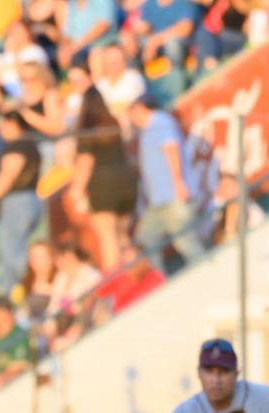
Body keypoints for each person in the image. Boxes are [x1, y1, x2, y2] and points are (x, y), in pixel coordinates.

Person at [127, 95, 203, 273]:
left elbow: (171, 149)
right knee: (145, 241)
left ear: (140, 108)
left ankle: (206, 274)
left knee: (185, 241)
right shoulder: (148, 130)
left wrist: (178, 183)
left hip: (173, 196)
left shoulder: (159, 122)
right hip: (159, 202)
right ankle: (157, 283)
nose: (131, 119)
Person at [70, 86, 136, 274]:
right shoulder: (112, 122)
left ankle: (114, 281)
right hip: (125, 181)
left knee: (108, 238)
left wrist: (77, 190)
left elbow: (86, 161)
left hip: (103, 186)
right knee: (123, 236)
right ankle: (135, 274)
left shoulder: (86, 129)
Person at [0, 112, 42, 293]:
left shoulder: (18, 146)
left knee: (12, 252)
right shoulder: (30, 145)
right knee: (12, 253)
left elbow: (8, 175)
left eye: (4, 124)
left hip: (17, 201)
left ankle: (34, 284)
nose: (1, 129)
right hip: (29, 199)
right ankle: (10, 292)